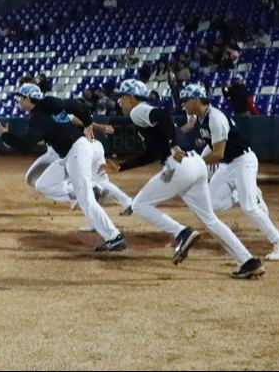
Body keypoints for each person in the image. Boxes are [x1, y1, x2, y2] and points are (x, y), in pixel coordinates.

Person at [106, 80, 262, 276]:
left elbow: (162, 115)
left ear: (131, 97)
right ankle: (248, 260)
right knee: (210, 219)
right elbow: (153, 153)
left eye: (121, 98)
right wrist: (121, 167)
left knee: (139, 205)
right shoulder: (142, 116)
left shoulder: (138, 111)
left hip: (178, 165)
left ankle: (182, 232)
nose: (118, 102)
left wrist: (173, 144)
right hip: (196, 164)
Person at [0, 83, 128, 251]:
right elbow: (76, 105)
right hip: (68, 155)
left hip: (76, 152)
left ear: (28, 98)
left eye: (20, 98)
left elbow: (26, 144)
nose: (19, 101)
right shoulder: (50, 102)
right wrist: (87, 122)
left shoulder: (37, 118)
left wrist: (4, 135)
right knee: (42, 185)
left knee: (86, 200)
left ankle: (114, 237)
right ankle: (79, 191)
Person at [179, 86, 279, 263]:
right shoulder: (200, 117)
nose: (183, 105)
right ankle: (243, 192)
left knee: (249, 207)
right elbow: (210, 145)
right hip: (227, 166)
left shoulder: (215, 118)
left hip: (243, 161)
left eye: (185, 100)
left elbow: (218, 154)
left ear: (196, 99)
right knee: (210, 206)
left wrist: (195, 162)